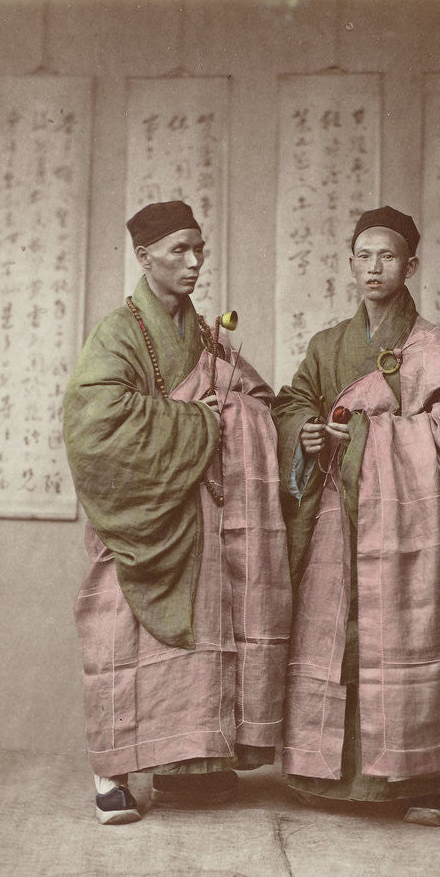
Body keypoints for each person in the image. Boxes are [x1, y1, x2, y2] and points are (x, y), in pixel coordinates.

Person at [272, 205, 440, 826]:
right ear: (350, 264)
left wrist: (373, 441)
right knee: (334, 636)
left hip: (402, 521)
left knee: (404, 636)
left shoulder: (429, 345)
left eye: (389, 256)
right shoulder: (327, 345)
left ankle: (419, 778)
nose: (375, 267)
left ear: (411, 267)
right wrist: (308, 436)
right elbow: (293, 402)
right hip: (333, 515)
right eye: (364, 255)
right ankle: (326, 772)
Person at [64, 200, 291, 824]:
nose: (193, 263)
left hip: (206, 516)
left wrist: (240, 415)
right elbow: (95, 427)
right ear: (144, 258)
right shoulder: (118, 333)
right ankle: (109, 773)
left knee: (201, 643)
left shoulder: (209, 336)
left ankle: (189, 769)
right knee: (118, 631)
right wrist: (199, 421)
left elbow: (257, 401)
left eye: (199, 250)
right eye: (178, 252)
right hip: (143, 514)